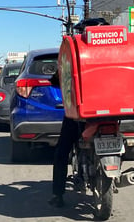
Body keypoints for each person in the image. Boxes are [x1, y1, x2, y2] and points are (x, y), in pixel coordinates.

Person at [49, 18, 109, 208]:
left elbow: (58, 78)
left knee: (61, 153)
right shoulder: (114, 52)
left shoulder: (77, 53)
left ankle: (58, 195)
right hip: (114, 113)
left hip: (83, 115)